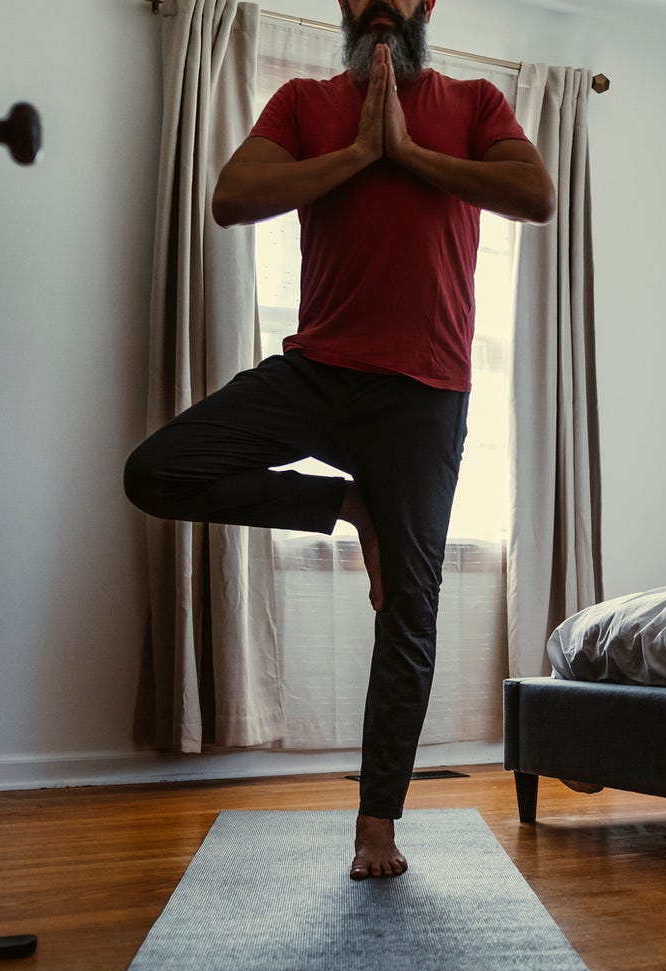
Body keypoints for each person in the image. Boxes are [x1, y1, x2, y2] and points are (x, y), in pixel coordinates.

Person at [123, 0, 556, 880]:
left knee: (411, 610)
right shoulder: (302, 104)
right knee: (157, 470)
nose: (381, 4)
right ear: (344, 5)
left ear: (428, 4)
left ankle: (376, 824)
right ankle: (340, 502)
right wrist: (359, 153)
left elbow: (537, 196)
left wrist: (409, 155)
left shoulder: (474, 103)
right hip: (317, 371)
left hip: (425, 394)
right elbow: (230, 200)